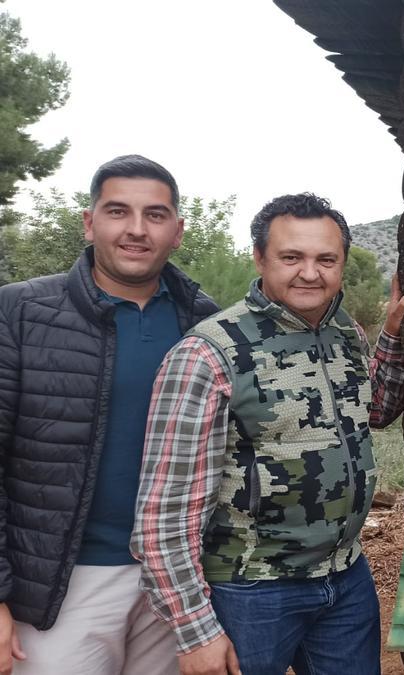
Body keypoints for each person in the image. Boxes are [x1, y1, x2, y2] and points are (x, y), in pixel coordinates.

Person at [131, 193, 404, 675]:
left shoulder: (344, 333)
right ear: (260, 257)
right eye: (292, 257)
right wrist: (195, 630)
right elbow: (162, 515)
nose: (311, 273)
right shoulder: (207, 354)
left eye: (326, 259)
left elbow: (376, 412)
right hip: (250, 589)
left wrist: (391, 334)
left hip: (344, 579)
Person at [0, 155, 219, 675]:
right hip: (58, 585)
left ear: (179, 231)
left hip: (177, 581)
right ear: (89, 220)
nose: (137, 230)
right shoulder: (20, 313)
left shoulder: (206, 323)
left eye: (156, 215)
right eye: (118, 211)